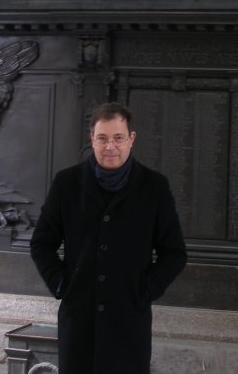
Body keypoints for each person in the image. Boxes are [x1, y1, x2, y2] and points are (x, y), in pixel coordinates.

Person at [30, 102, 187, 373]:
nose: (110, 146)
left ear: (131, 139)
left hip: (128, 322)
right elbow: (41, 244)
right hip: (79, 321)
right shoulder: (67, 184)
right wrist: (61, 284)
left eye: (118, 138)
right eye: (102, 138)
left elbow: (174, 253)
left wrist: (145, 290)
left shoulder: (154, 187)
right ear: (92, 139)